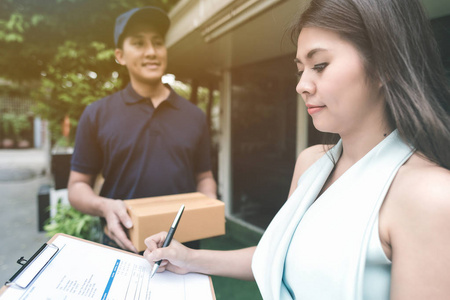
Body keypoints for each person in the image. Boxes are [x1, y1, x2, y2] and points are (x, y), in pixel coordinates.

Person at [143, 0, 450, 299]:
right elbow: (278, 254)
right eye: (301, 69)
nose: (301, 85)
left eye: (320, 65)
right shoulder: (311, 162)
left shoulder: (429, 195)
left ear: (386, 65)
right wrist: (188, 258)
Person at [68, 6, 217, 253]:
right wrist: (104, 205)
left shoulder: (194, 115)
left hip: (184, 248)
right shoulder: (97, 113)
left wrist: (208, 202)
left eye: (157, 43)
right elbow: (76, 187)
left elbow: (204, 176)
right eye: (138, 43)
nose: (151, 52)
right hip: (121, 244)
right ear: (120, 55)